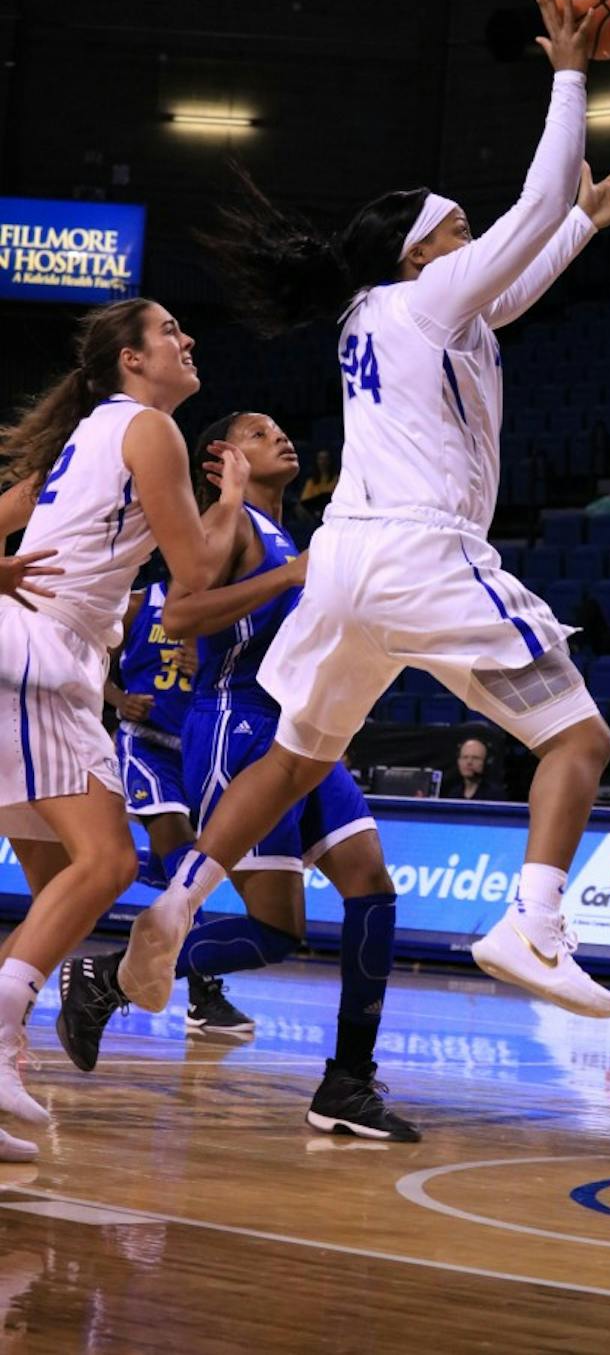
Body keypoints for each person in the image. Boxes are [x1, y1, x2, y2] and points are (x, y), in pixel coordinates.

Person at [114, 0, 610, 1027]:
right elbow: (531, 211)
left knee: (297, 755)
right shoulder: (426, 297)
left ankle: (178, 904)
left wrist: (582, 223)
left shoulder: (387, 311)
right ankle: (531, 921)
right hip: (419, 551)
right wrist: (573, 75)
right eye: (458, 227)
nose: (473, 238)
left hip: (345, 562)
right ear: (420, 251)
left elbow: (523, 269)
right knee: (578, 739)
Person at [58, 411, 418, 1140]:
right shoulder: (231, 525)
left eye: (283, 429)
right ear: (223, 456)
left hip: (304, 728)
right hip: (240, 725)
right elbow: (183, 614)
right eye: (259, 432)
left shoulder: (292, 530)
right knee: (277, 928)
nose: (282, 436)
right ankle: (104, 979)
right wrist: (287, 575)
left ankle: (347, 1078)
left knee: (372, 885)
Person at [0, 297, 249, 1146]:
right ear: (132, 360)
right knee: (106, 861)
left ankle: (5, 1050)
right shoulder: (148, 430)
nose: (186, 338)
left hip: (39, 658)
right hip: (40, 654)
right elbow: (196, 578)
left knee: (52, 890)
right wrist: (237, 501)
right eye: (170, 330)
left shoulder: (88, 436)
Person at [103, 578, 253, 1034]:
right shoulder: (135, 606)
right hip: (147, 747)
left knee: (188, 868)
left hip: (201, 747)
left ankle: (122, 868)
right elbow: (89, 658)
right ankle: (204, 995)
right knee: (187, 860)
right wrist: (118, 699)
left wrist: (209, 660)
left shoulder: (228, 607)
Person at [440, 737, 505, 800]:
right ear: (458, 761)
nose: (469, 762)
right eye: (465, 757)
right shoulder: (454, 793)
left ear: (485, 762)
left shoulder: (494, 795)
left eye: (475, 758)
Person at [299, 448, 338, 513]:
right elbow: (305, 501)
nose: (323, 462)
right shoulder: (311, 482)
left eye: (326, 459)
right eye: (321, 459)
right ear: (316, 461)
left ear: (330, 461)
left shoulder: (337, 479)